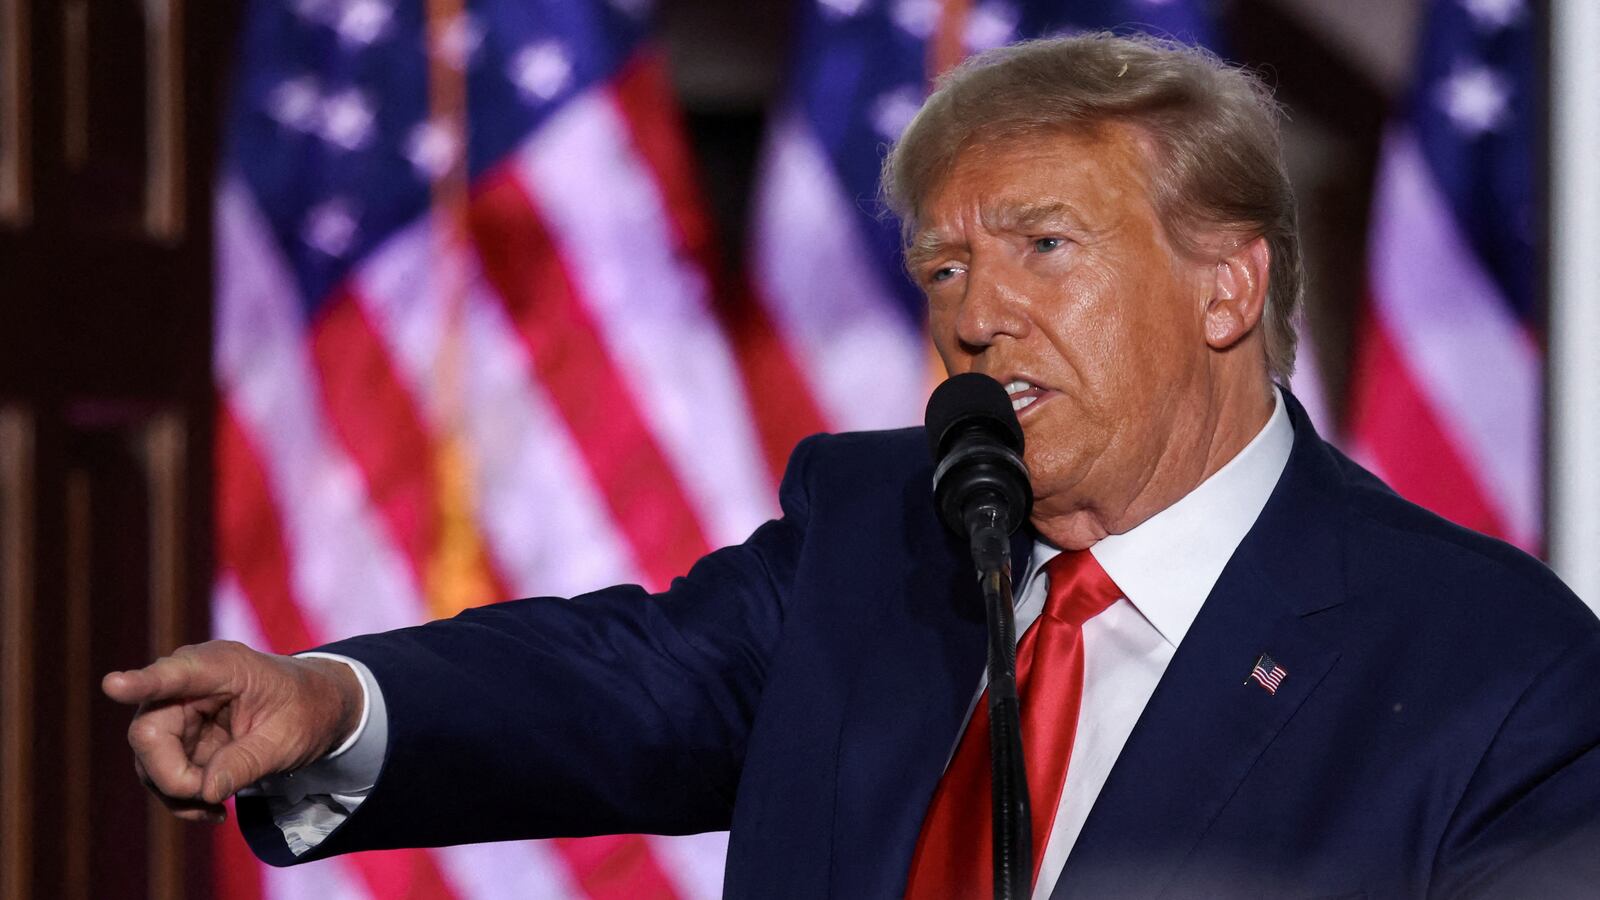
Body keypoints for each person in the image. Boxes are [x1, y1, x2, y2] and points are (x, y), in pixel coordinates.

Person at [105, 33, 1600, 898]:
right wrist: (330, 703)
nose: (973, 311)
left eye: (1042, 248)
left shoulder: (1494, 670)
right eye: (942, 265)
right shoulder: (887, 527)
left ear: (1228, 287)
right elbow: (621, 678)